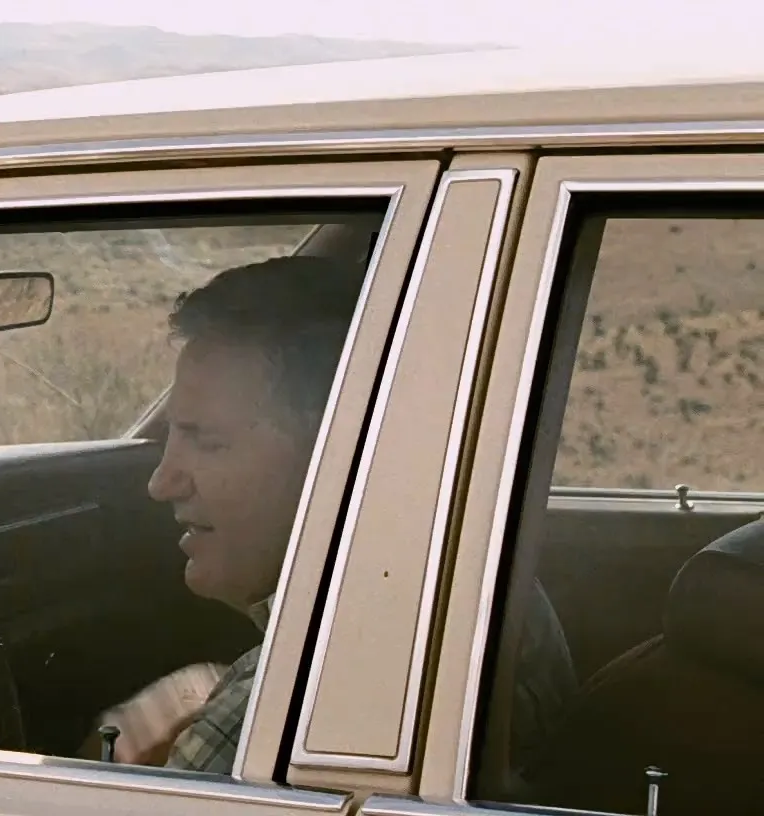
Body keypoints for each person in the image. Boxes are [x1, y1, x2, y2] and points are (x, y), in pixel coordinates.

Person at [97, 254, 577, 776]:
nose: (161, 482)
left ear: (339, 456)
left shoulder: (279, 713)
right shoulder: (487, 583)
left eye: (207, 441)